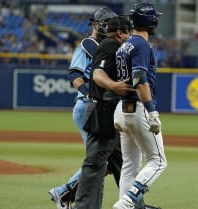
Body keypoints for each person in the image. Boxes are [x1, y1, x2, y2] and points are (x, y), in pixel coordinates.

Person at [48, 7, 118, 209]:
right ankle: (63, 194)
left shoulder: (107, 46)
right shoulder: (86, 46)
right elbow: (74, 76)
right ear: (95, 24)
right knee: (98, 160)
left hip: (99, 107)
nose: (107, 26)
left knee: (103, 160)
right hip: (87, 106)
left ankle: (65, 193)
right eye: (104, 23)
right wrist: (89, 92)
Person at [74, 15, 132, 209]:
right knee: (94, 163)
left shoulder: (113, 46)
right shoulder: (109, 46)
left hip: (110, 109)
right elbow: (98, 74)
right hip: (103, 109)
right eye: (127, 32)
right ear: (119, 32)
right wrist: (114, 86)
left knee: (122, 163)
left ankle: (132, 203)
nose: (130, 35)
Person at [113, 3, 168, 209]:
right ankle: (127, 202)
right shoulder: (141, 44)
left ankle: (126, 205)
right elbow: (140, 80)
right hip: (138, 108)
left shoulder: (124, 45)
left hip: (122, 109)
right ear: (151, 22)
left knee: (130, 166)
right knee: (158, 161)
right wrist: (152, 111)